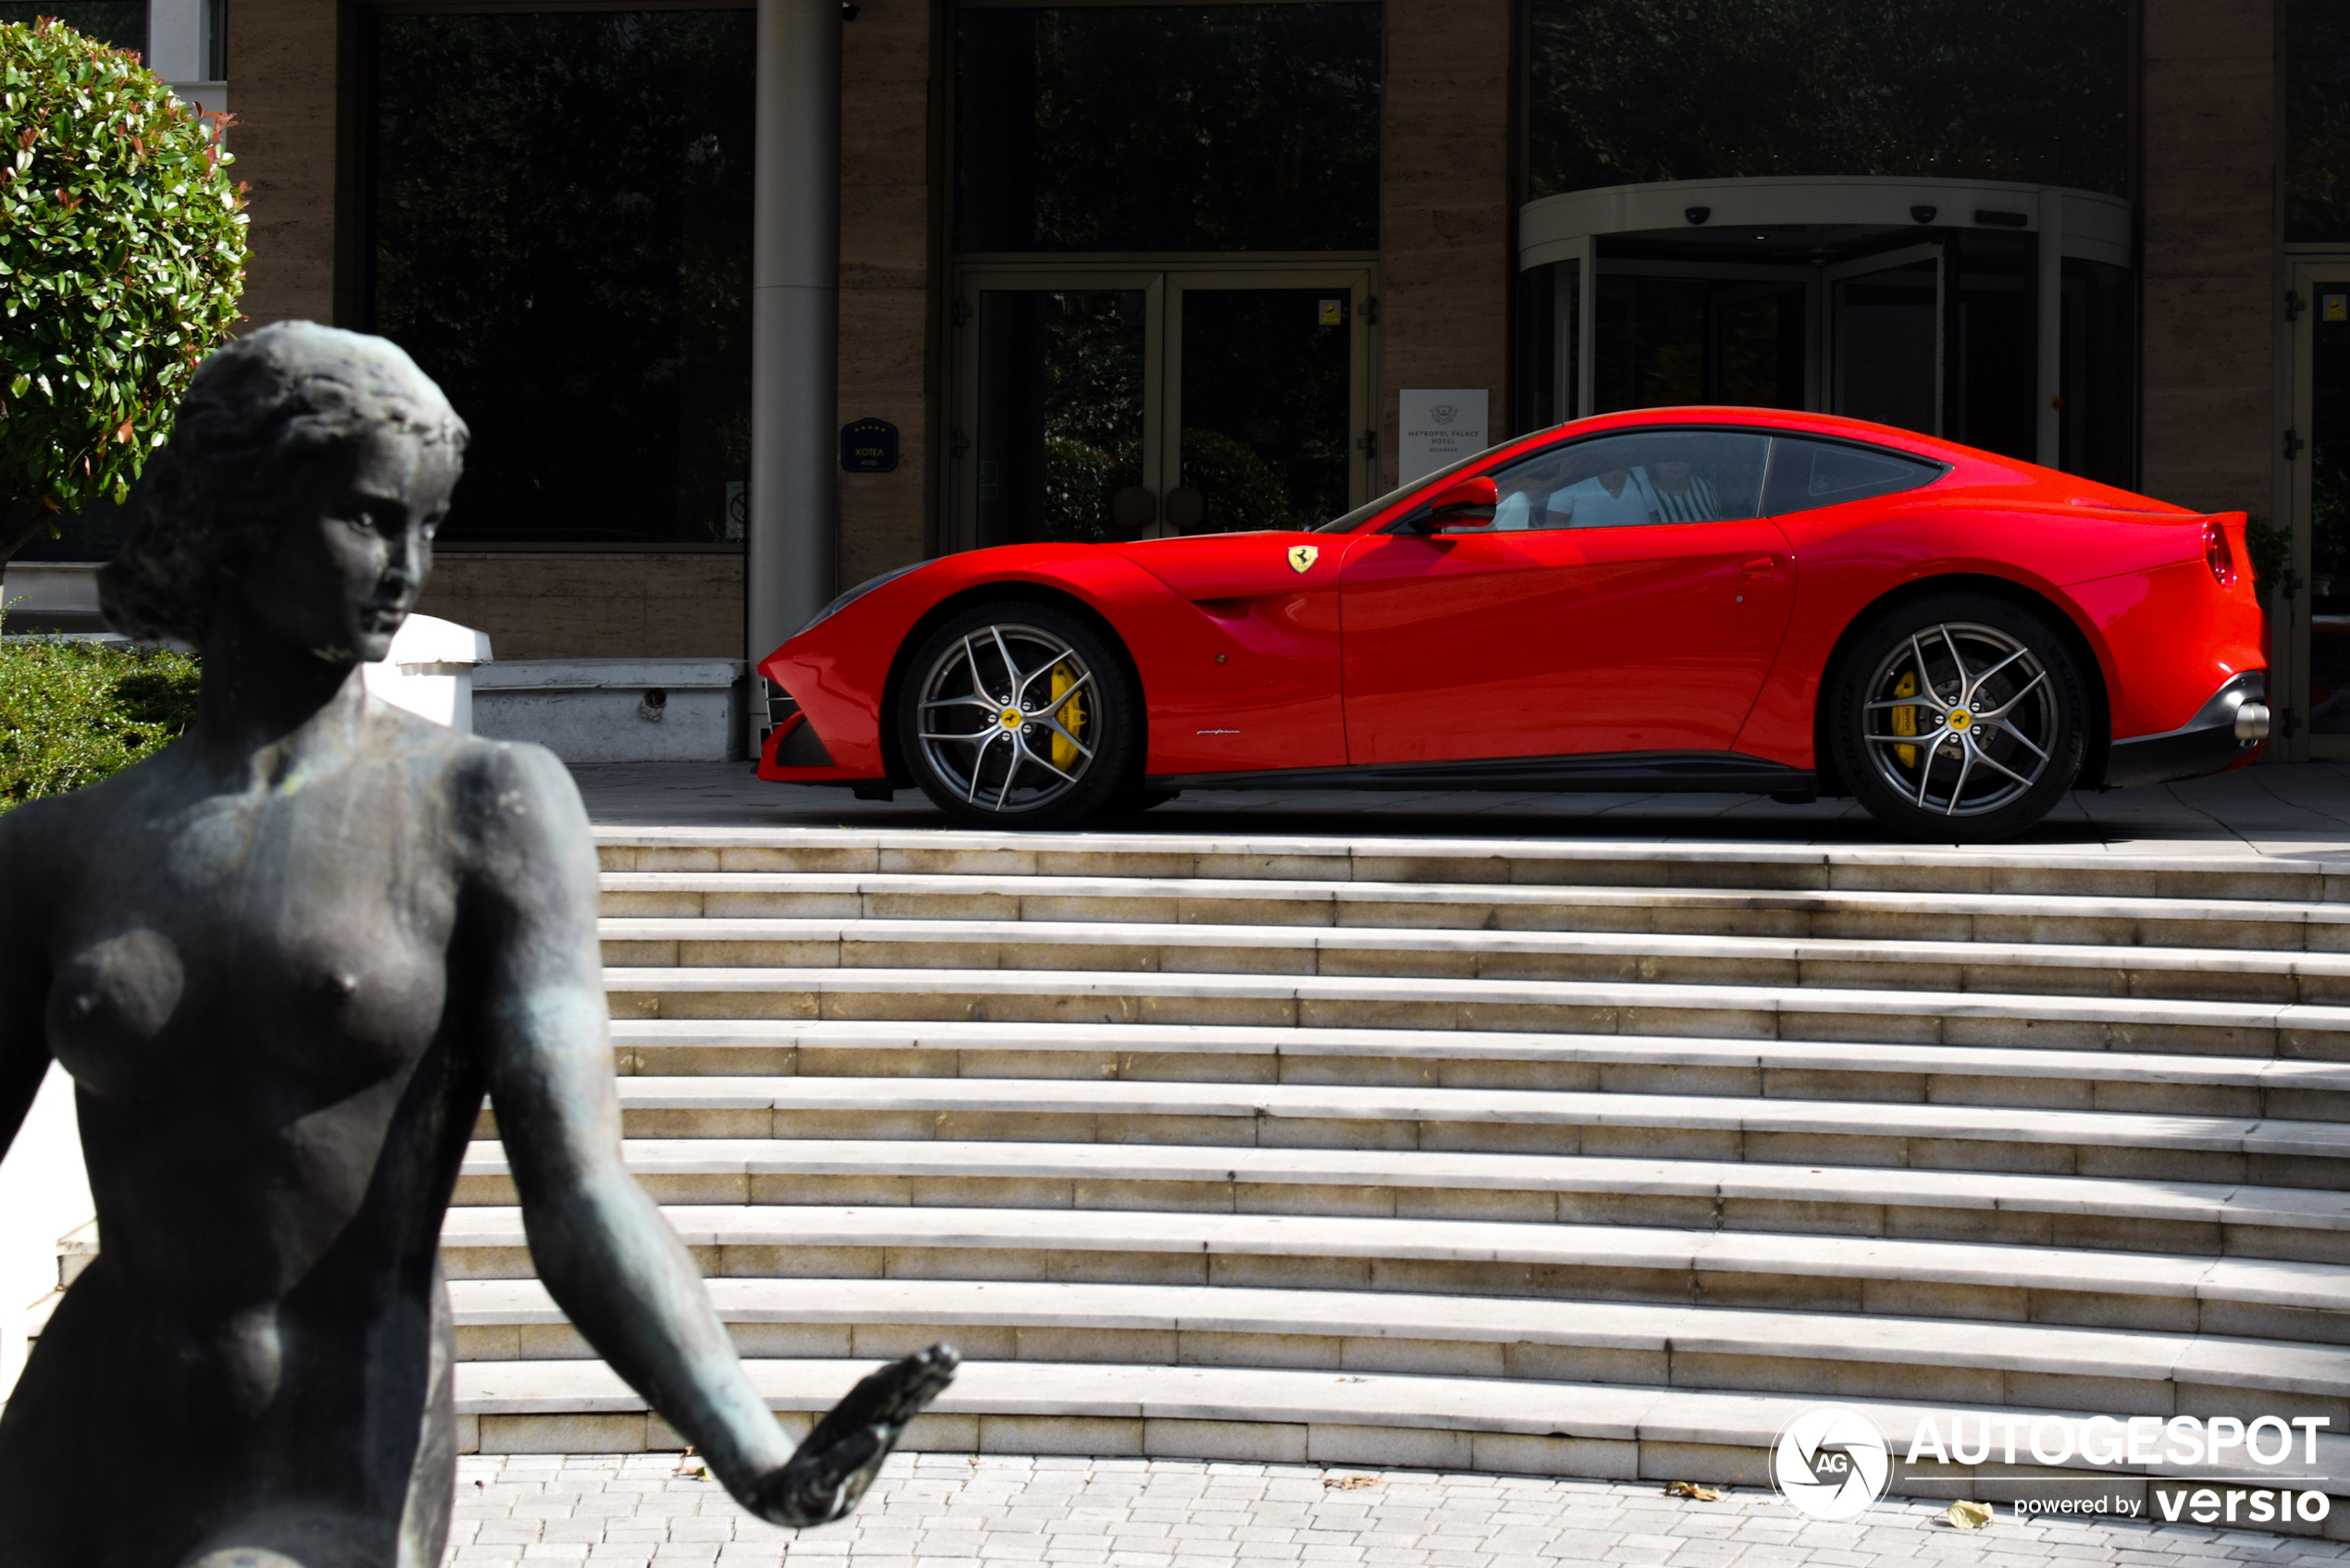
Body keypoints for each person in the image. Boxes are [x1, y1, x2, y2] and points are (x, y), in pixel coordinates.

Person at [0, 323, 953, 1568]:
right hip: (80, 1447)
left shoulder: (485, 809)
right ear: (244, 512)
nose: (408, 567)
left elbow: (582, 1189)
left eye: (428, 526)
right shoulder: (59, 849)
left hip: (337, 1451)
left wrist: (751, 1448)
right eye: (368, 520)